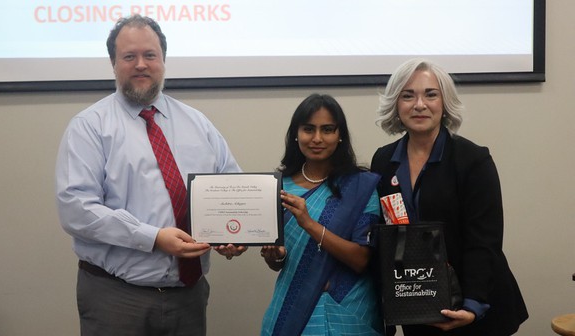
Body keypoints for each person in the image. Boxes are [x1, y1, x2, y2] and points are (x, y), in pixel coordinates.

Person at [55, 14, 245, 336]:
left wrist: (234, 233)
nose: (140, 64)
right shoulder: (90, 127)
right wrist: (153, 237)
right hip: (116, 298)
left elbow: (232, 187)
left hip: (188, 297)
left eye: (150, 55)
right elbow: (76, 209)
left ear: (164, 61)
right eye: (129, 56)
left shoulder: (198, 124)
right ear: (113, 64)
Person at [370, 58, 528, 335]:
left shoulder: (473, 159)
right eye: (408, 96)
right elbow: (385, 237)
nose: (419, 105)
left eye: (430, 94)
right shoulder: (384, 160)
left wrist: (472, 305)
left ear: (445, 103)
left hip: (475, 309)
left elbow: (485, 240)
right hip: (418, 305)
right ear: (396, 103)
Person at [260, 93, 385, 336]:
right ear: (296, 134)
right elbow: (279, 263)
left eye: (327, 130)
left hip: (346, 306)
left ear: (340, 136)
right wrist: (273, 256)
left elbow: (360, 259)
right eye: (309, 129)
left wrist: (309, 223)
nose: (317, 138)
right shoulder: (278, 187)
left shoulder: (360, 187)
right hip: (292, 304)